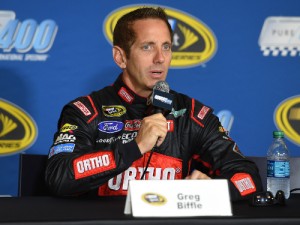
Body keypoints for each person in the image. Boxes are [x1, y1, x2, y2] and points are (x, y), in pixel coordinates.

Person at [45, 6, 263, 201]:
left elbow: (248, 178)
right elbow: (58, 177)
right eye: (147, 47)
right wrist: (135, 147)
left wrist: (214, 190)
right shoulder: (86, 111)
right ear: (120, 57)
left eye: (166, 47)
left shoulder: (192, 115)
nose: (160, 58)